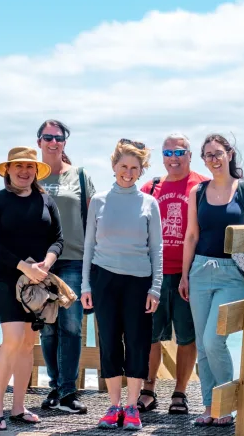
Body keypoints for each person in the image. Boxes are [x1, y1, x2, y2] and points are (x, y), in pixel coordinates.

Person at [179, 134, 244, 427]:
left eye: (218, 153)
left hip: (233, 273)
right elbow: (191, 235)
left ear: (230, 154)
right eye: (207, 155)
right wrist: (184, 275)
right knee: (202, 347)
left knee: (213, 341)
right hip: (200, 271)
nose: (213, 160)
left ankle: (226, 405)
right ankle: (208, 407)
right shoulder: (197, 192)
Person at [81, 139, 163, 431]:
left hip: (139, 281)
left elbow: (157, 249)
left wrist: (155, 288)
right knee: (110, 342)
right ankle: (114, 405)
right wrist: (85, 285)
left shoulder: (149, 203)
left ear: (141, 171)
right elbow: (89, 245)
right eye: (123, 166)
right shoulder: (99, 201)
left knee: (138, 344)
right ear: (114, 166)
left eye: (134, 168)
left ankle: (132, 407)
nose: (128, 172)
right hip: (104, 279)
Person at [0, 146, 65, 431]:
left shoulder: (46, 200)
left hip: (38, 282)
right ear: (8, 170)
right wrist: (23, 266)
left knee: (28, 344)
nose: (24, 171)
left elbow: (58, 239)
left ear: (36, 171)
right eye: (18, 166)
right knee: (13, 340)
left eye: (29, 166)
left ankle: (18, 407)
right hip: (7, 278)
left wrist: (47, 262)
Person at [137, 133, 209, 415]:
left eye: (180, 152)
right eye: (167, 154)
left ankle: (180, 392)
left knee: (186, 337)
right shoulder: (150, 187)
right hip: (153, 274)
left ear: (190, 155)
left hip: (188, 274)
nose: (174, 159)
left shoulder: (202, 185)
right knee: (150, 336)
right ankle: (148, 389)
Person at [36, 119, 95, 414]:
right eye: (47, 137)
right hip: (41, 264)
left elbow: (95, 221)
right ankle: (55, 388)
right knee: (48, 329)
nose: (53, 142)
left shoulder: (80, 177)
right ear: (39, 142)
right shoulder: (30, 176)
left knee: (71, 327)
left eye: (58, 137)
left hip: (74, 259)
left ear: (64, 142)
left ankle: (69, 392)